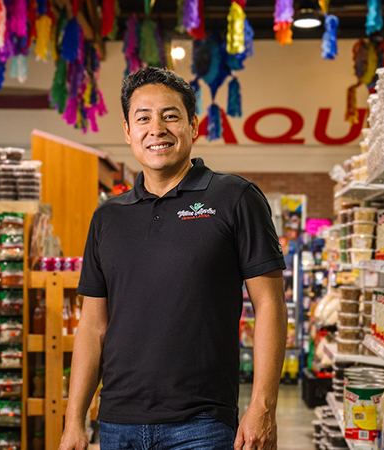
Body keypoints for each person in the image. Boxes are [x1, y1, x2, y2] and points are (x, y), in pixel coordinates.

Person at [59, 66, 288, 450]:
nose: (157, 129)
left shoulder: (234, 198)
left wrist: (263, 406)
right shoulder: (107, 217)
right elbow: (93, 326)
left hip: (201, 425)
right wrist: (73, 420)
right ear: (128, 131)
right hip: (117, 423)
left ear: (193, 126)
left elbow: (270, 304)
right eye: (143, 118)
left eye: (170, 116)